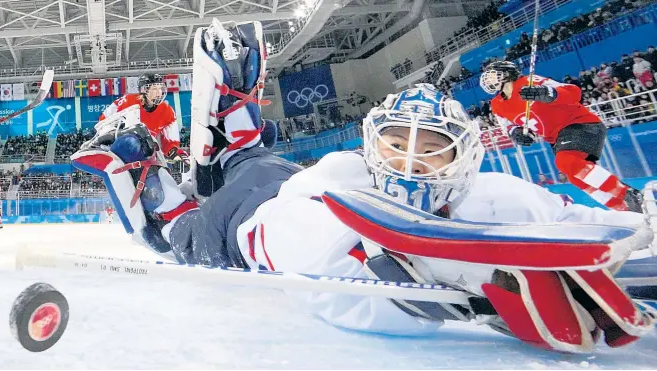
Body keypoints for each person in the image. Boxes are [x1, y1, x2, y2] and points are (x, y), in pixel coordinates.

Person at [72, 19, 656, 354]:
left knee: (251, 161)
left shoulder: (496, 195)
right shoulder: (336, 186)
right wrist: (467, 292)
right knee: (174, 235)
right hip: (246, 218)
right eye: (396, 144)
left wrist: (640, 234)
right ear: (371, 145)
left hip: (273, 175)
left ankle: (234, 131)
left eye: (429, 148)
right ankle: (131, 163)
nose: (407, 160)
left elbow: (586, 229)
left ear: (463, 157)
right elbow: (332, 290)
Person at [479, 61, 642, 212]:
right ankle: (626, 210)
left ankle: (629, 194)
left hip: (580, 123)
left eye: (492, 73)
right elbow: (506, 124)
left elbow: (574, 92)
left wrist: (549, 93)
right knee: (576, 177)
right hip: (557, 138)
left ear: (507, 73)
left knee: (565, 162)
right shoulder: (497, 104)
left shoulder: (530, 81)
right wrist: (515, 133)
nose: (488, 78)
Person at [99, 73, 186, 162]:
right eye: (154, 88)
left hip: (146, 155)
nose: (159, 92)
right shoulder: (128, 101)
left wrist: (176, 155)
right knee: (133, 140)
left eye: (160, 88)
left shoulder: (167, 111)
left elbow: (170, 143)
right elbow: (103, 119)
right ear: (144, 90)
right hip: (122, 151)